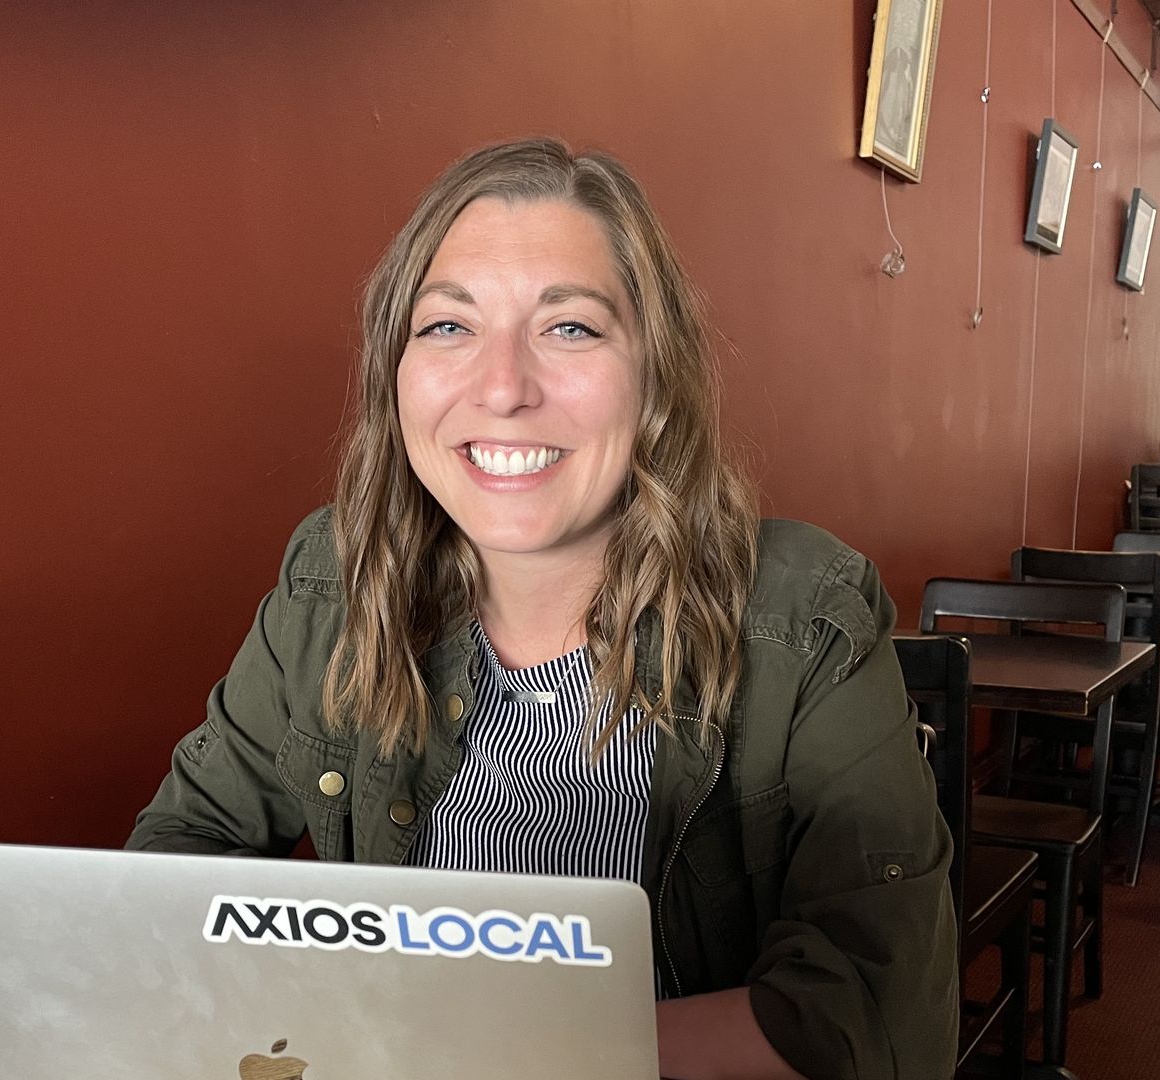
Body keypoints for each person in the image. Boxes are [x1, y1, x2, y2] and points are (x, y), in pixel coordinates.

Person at [127, 138, 958, 1080]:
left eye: (569, 328)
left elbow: (881, 1010)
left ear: (655, 372)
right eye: (449, 325)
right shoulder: (335, 578)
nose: (503, 388)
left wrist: (493, 1053)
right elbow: (180, 851)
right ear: (394, 371)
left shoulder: (805, 617)